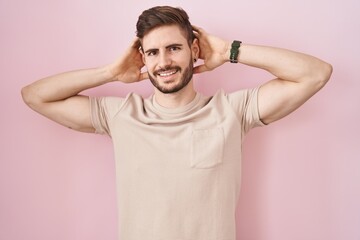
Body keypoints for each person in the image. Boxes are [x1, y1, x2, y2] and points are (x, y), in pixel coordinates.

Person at [21, 5, 332, 240]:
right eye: (153, 52)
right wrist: (110, 73)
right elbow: (35, 95)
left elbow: (315, 74)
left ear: (193, 50)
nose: (164, 61)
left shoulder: (233, 111)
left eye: (173, 48)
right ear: (142, 58)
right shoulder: (120, 115)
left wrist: (227, 51)